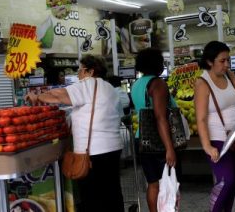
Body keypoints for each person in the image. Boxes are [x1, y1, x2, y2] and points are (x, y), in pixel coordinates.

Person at [24, 55, 124, 212]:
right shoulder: (110, 88)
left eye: (80, 70)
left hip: (93, 153)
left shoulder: (89, 84)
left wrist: (37, 97)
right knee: (112, 192)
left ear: (90, 72)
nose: (78, 75)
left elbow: (58, 95)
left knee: (92, 196)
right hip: (113, 148)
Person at [194, 41, 235, 212]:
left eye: (227, 60)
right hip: (217, 140)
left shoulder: (228, 75)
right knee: (226, 181)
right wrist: (207, 146)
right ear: (209, 61)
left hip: (234, 137)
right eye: (222, 61)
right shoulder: (202, 83)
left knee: (232, 181)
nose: (226, 64)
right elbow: (200, 118)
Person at [130, 48, 177, 212]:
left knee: (153, 183)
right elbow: (160, 117)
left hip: (142, 138)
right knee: (169, 183)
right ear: (157, 63)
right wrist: (169, 148)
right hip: (159, 140)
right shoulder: (158, 83)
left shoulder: (137, 84)